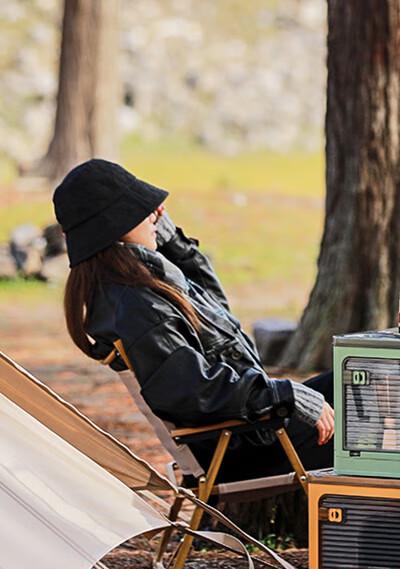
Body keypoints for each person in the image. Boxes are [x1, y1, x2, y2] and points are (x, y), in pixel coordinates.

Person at [52, 158, 334, 482]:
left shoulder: (139, 286)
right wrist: (283, 395)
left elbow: (220, 318)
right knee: (365, 424)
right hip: (246, 448)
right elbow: (194, 391)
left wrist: (173, 244)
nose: (154, 214)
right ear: (114, 224)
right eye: (140, 210)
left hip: (250, 430)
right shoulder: (137, 306)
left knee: (356, 384)